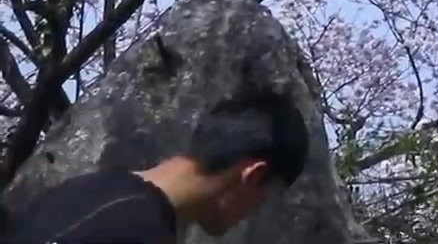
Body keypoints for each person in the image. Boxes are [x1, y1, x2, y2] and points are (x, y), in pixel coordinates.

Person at [2, 88, 309, 244]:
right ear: (253, 175)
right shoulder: (140, 230)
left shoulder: (84, 190)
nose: (254, 212)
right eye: (266, 196)